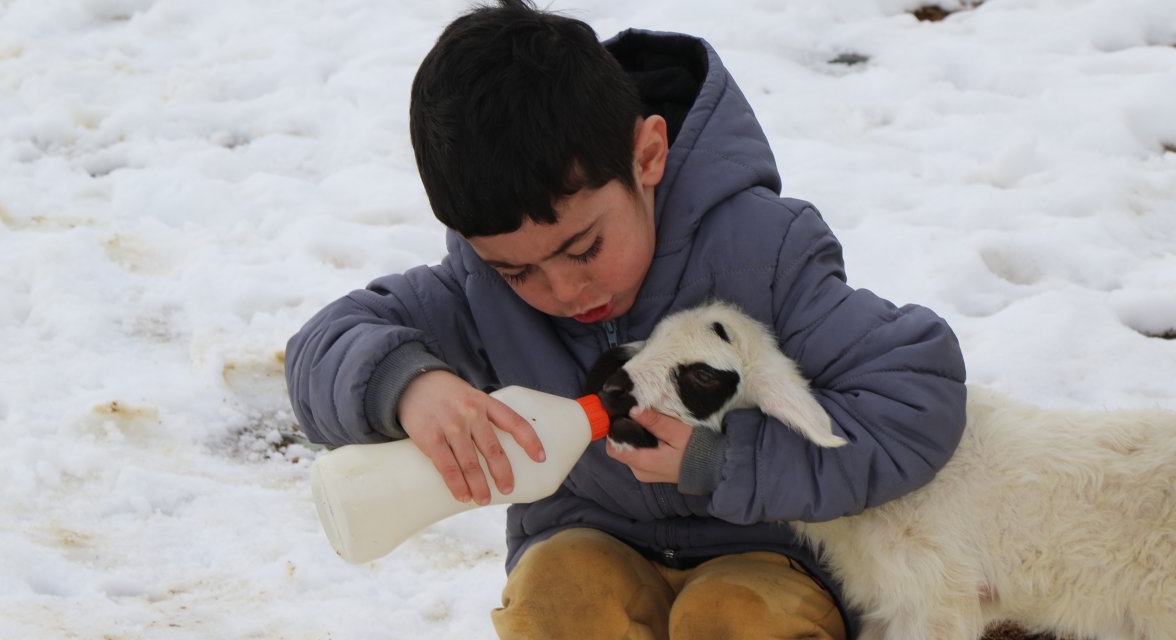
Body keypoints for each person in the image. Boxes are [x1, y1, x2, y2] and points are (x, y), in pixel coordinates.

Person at [285, 0, 967, 637]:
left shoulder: (762, 255)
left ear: (648, 155)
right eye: (517, 270)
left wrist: (720, 460)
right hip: (591, 539)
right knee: (562, 596)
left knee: (730, 615)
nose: (563, 289)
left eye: (583, 248)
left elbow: (918, 401)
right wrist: (408, 385)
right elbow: (323, 347)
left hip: (769, 552)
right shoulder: (476, 292)